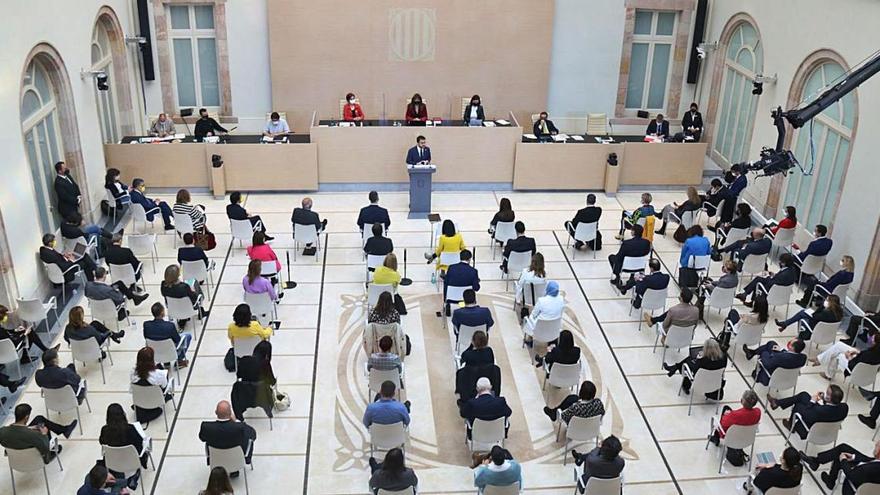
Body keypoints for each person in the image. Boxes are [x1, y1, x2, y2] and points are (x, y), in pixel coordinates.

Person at [0, 403, 75, 464]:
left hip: (16, 458)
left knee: (39, 419)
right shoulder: (34, 435)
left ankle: (64, 430)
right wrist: (44, 434)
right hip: (32, 457)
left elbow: (17, 434)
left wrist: (28, 428)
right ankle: (53, 450)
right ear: (26, 417)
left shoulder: (2, 431)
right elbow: (45, 448)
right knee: (43, 427)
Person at [768, 384, 848, 439]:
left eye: (827, 394)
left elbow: (806, 413)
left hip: (814, 426)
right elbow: (829, 409)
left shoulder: (819, 410)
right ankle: (777, 403)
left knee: (799, 405)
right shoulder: (845, 407)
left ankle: (790, 425)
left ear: (830, 398)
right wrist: (824, 399)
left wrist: (813, 401)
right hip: (827, 422)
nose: (825, 394)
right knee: (804, 395)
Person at [800, 440, 880, 493]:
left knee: (840, 457)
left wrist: (843, 460)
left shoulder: (869, 469)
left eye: (877, 446)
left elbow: (851, 475)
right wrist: (853, 457)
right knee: (843, 448)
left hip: (854, 487)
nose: (875, 444)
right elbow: (870, 460)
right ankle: (816, 461)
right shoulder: (876, 464)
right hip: (866, 473)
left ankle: (830, 480)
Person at [199, 400, 258, 471]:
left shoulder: (206, 427)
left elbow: (202, 438)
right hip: (236, 459)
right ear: (230, 413)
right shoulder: (239, 427)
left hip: (216, 459)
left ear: (216, 412)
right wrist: (235, 422)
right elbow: (253, 434)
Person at [814, 326, 880, 380]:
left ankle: (828, 375)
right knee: (839, 345)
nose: (871, 340)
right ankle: (819, 359)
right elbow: (863, 357)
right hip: (865, 370)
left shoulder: (869, 354)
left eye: (872, 339)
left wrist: (848, 357)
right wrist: (857, 352)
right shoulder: (875, 352)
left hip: (855, 370)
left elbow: (854, 364)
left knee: (838, 355)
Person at [131, 346, 174, 423]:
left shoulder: (133, 373)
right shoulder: (160, 374)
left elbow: (131, 390)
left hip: (140, 401)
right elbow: (164, 386)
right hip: (156, 401)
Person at [99, 403, 149, 469]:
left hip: (113, 461)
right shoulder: (130, 428)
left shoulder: (105, 430)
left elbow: (102, 442)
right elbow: (140, 442)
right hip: (132, 461)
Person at [144, 302, 191, 368]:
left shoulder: (146, 325)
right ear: (162, 313)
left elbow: (146, 337)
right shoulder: (170, 326)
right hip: (170, 352)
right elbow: (178, 340)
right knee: (187, 336)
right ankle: (179, 361)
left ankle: (166, 362)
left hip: (155, 353)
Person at [776, 294, 843, 339]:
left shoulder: (825, 313)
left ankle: (799, 337)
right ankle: (785, 324)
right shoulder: (839, 312)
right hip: (828, 333)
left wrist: (822, 306)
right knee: (804, 312)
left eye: (826, 300)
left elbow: (815, 315)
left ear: (830, 303)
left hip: (816, 329)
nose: (825, 301)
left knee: (802, 315)